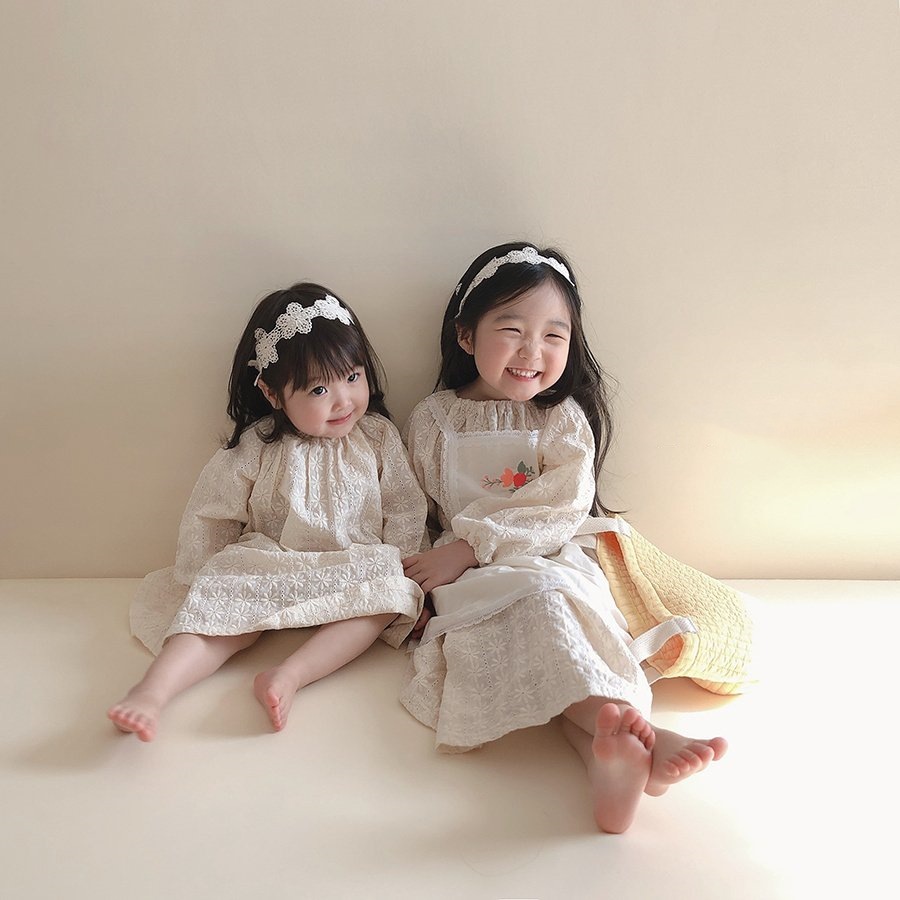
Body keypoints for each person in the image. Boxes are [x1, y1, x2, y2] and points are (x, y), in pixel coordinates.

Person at [400, 243, 727, 833]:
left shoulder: (561, 417)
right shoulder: (433, 419)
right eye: (512, 330)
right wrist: (415, 586)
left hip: (551, 555)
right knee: (525, 629)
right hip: (468, 575)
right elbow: (411, 508)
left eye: (554, 335)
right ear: (466, 335)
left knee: (553, 606)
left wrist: (473, 546)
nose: (533, 352)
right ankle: (622, 748)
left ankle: (622, 746)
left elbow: (562, 505)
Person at [108, 283, 427, 741]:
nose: (343, 400)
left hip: (352, 565)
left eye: (352, 376)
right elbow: (213, 511)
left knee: (389, 592)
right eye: (319, 388)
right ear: (273, 393)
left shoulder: (377, 437)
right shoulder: (259, 444)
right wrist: (202, 574)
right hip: (270, 561)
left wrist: (404, 566)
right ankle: (152, 692)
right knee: (221, 599)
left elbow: (405, 505)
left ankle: (290, 675)